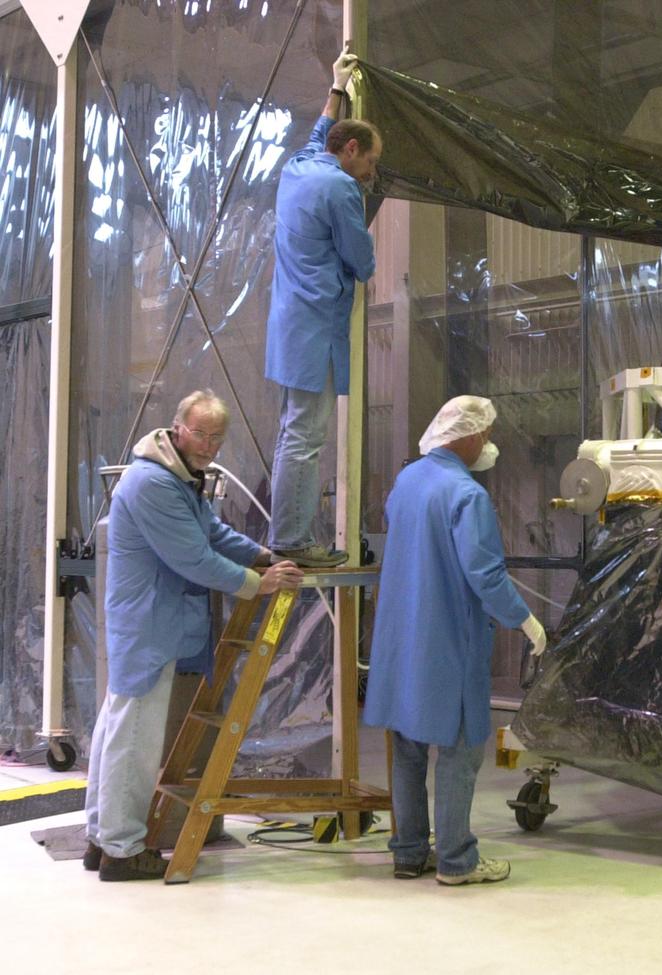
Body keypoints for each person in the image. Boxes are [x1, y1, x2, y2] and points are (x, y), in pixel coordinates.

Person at [84, 390, 303, 881]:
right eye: (200, 433)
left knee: (118, 727)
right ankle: (121, 850)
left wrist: (261, 555)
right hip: (149, 624)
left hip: (153, 622)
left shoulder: (178, 477)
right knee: (134, 737)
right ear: (177, 427)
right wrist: (256, 584)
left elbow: (212, 534)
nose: (208, 444)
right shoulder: (152, 483)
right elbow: (193, 557)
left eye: (216, 437)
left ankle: (102, 839)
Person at [363, 396, 547, 886]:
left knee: (407, 748)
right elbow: (485, 576)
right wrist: (526, 621)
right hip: (448, 640)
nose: (488, 445)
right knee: (459, 750)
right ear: (463, 436)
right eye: (484, 435)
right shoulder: (467, 496)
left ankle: (407, 852)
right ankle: (456, 861)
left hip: (402, 640)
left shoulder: (407, 483)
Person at [265, 46, 381, 567]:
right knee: (306, 437)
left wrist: (336, 87)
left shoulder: (300, 164)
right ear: (352, 150)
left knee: (294, 429)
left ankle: (288, 533)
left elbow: (320, 131)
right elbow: (362, 260)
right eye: (370, 163)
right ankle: (291, 541)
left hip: (291, 323)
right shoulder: (340, 188)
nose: (369, 173)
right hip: (315, 326)